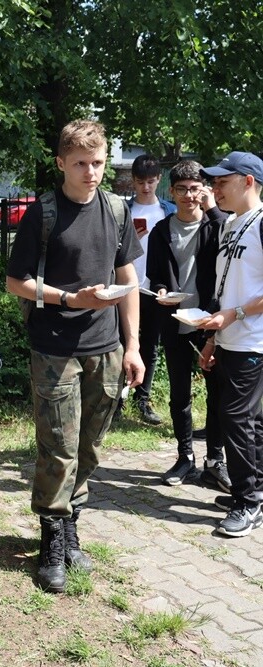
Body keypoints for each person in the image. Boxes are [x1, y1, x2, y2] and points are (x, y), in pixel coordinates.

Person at [6, 119, 144, 593]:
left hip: (105, 348)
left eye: (98, 163)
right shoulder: (42, 214)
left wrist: (134, 345)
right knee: (58, 449)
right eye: (81, 163)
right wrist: (69, 299)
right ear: (61, 162)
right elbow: (14, 281)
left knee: (89, 446)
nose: (91, 172)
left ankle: (71, 527)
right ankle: (52, 537)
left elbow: (127, 277)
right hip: (55, 349)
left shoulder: (117, 210)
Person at [145, 161, 228, 489]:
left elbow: (228, 253)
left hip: (210, 321)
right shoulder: (162, 230)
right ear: (172, 191)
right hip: (175, 319)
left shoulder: (217, 227)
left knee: (216, 392)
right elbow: (157, 277)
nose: (188, 195)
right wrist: (163, 292)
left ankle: (214, 460)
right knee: (180, 393)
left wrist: (212, 207)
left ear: (204, 190)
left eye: (195, 189)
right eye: (182, 189)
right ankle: (184, 458)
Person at [196, 151, 263, 537]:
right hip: (230, 339)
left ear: (248, 182)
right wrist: (213, 339)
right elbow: (225, 290)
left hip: (253, 341)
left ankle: (248, 502)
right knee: (245, 420)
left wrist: (234, 316)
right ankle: (252, 489)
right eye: (215, 182)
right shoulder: (231, 225)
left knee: (237, 419)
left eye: (223, 181)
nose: (215, 188)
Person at [124, 154, 177, 425]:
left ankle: (141, 401)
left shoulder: (168, 211)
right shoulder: (123, 210)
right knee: (122, 343)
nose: (146, 187)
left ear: (159, 181)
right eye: (140, 182)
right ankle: (117, 401)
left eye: (151, 181)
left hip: (156, 289)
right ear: (133, 182)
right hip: (125, 288)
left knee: (150, 346)